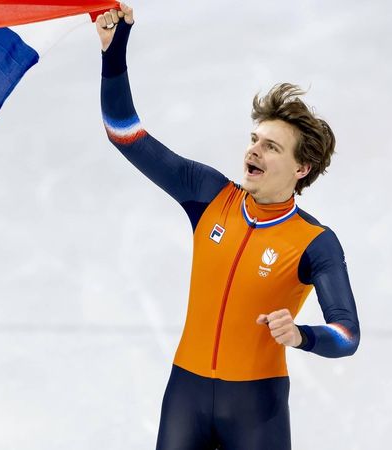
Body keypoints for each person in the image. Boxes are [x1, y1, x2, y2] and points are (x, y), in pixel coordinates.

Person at [94, 4, 360, 449]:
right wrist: (113, 52)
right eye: (255, 139)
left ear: (301, 168)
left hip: (256, 408)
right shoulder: (209, 194)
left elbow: (347, 333)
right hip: (186, 394)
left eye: (271, 146)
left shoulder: (315, 243)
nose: (253, 151)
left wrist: (302, 335)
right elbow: (125, 133)